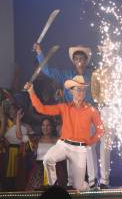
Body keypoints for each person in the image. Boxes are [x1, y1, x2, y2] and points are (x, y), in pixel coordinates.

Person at [33, 44, 99, 189]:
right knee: (69, 146)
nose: (79, 61)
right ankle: (70, 182)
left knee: (89, 148)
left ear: (86, 60)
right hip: (71, 116)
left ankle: (94, 181)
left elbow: (101, 92)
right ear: (73, 61)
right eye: (76, 58)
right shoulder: (67, 75)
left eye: (82, 58)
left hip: (88, 115)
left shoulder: (93, 75)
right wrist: (39, 52)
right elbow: (48, 71)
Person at [24, 75, 104, 191]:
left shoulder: (92, 110)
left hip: (79, 149)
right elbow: (42, 109)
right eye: (78, 89)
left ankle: (88, 188)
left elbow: (100, 129)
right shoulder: (64, 107)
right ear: (72, 91)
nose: (81, 92)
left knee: (78, 186)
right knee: (48, 159)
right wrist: (31, 92)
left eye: (82, 90)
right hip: (64, 145)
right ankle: (53, 186)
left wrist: (90, 142)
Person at [25, 117, 67, 190]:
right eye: (43, 125)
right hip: (39, 170)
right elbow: (19, 136)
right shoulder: (36, 139)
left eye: (48, 125)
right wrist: (18, 119)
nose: (45, 127)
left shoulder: (58, 140)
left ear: (52, 127)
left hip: (55, 169)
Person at [1, 103, 33, 190]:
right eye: (9, 109)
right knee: (6, 177)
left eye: (13, 109)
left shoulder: (27, 126)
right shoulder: (7, 126)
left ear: (19, 111)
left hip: (21, 152)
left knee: (20, 175)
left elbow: (31, 141)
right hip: (8, 153)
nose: (11, 111)